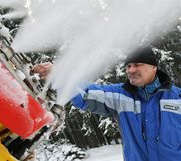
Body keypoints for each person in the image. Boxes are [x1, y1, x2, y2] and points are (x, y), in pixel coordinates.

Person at [32, 47, 181, 161]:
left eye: (137, 65)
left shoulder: (177, 98)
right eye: (128, 66)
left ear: (154, 67)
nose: (131, 70)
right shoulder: (120, 96)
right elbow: (86, 93)